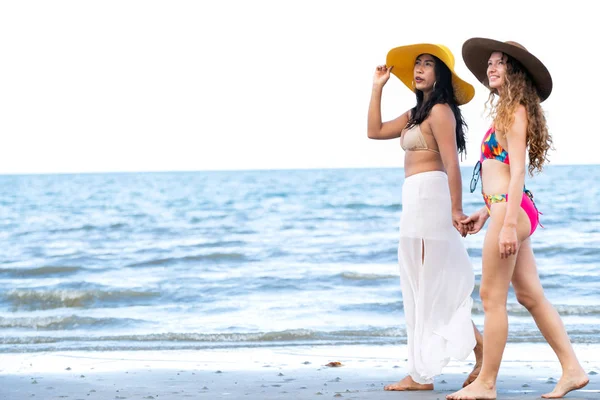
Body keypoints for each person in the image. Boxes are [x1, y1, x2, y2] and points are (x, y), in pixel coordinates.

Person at [446, 38, 589, 400]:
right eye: (490, 63)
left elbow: (518, 172)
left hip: (513, 212)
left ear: (516, 72)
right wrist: (486, 213)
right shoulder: (508, 111)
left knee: (492, 297)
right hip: (507, 208)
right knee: (529, 295)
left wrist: (506, 223)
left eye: (500, 62)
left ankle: (487, 383)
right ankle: (572, 369)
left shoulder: (517, 112)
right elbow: (502, 174)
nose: (491, 67)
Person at [367, 43, 483, 391]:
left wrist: (456, 209)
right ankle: (422, 372)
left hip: (432, 196)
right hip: (413, 199)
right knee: (417, 285)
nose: (419, 69)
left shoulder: (441, 112)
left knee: (434, 285)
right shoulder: (415, 114)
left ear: (441, 74)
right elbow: (373, 131)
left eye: (427, 64)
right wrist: (377, 88)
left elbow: (451, 164)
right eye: (417, 64)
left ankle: (434, 369)